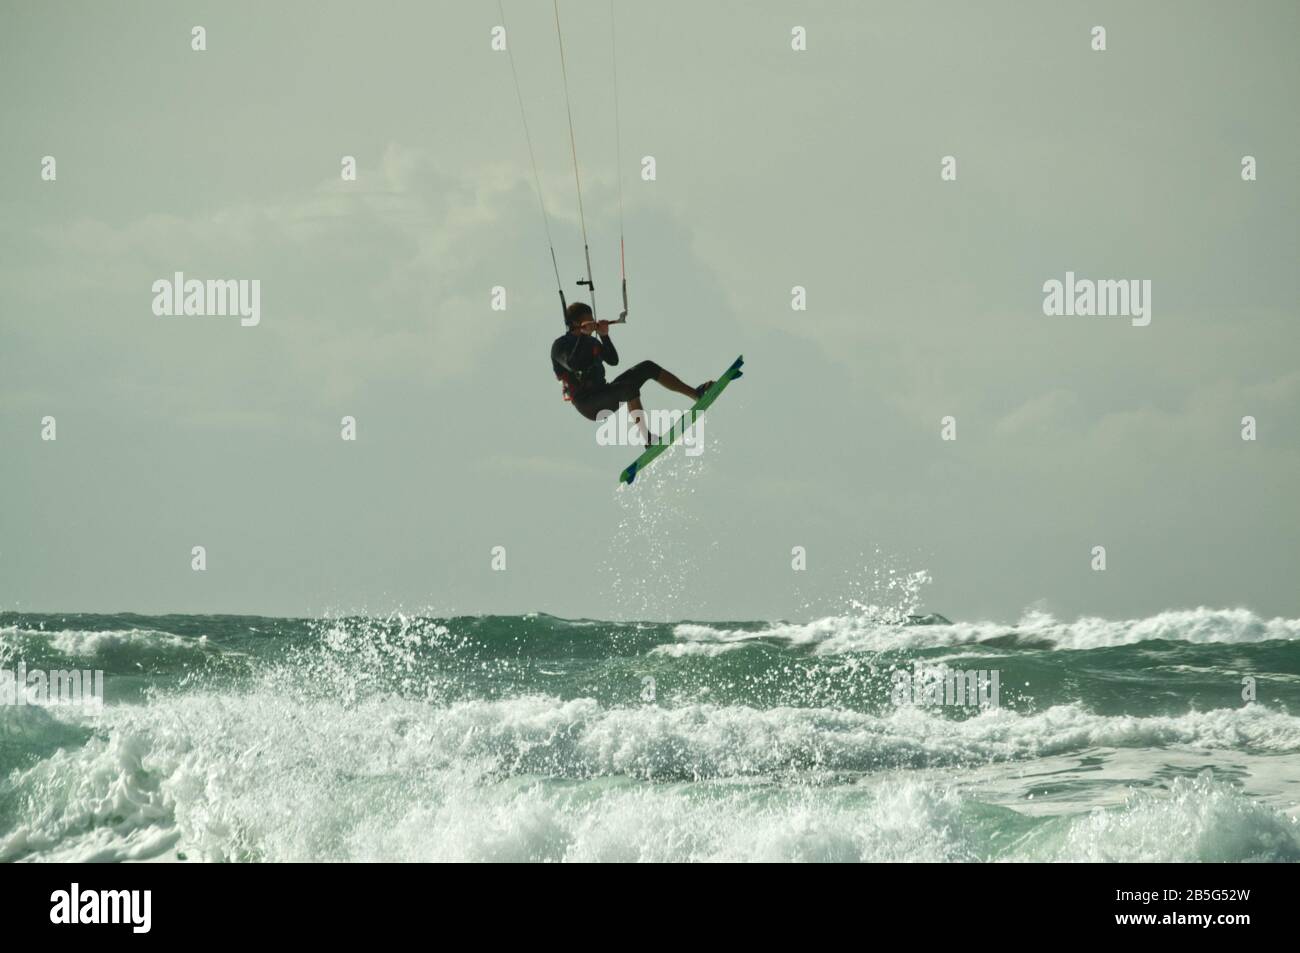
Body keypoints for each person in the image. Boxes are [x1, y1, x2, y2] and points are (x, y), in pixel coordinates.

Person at [550, 302, 713, 445]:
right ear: (576, 323)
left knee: (647, 367)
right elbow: (573, 364)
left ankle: (695, 394)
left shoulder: (591, 341)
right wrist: (584, 336)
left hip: (604, 392)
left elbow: (613, 360)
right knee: (628, 388)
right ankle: (647, 438)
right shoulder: (560, 345)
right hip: (588, 404)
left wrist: (604, 336)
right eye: (588, 319)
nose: (592, 322)